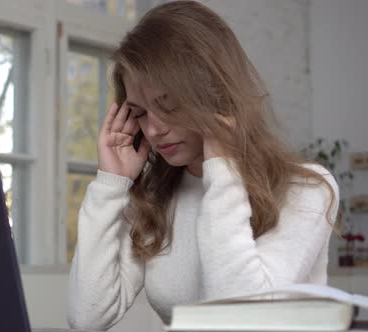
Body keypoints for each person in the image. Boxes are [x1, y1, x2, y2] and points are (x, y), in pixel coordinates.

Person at [66, 1, 339, 330]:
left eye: (169, 106)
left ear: (215, 95)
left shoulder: (306, 189)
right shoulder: (155, 198)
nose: (154, 129)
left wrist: (223, 168)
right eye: (139, 113)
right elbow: (87, 318)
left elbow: (242, 319)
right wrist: (110, 184)